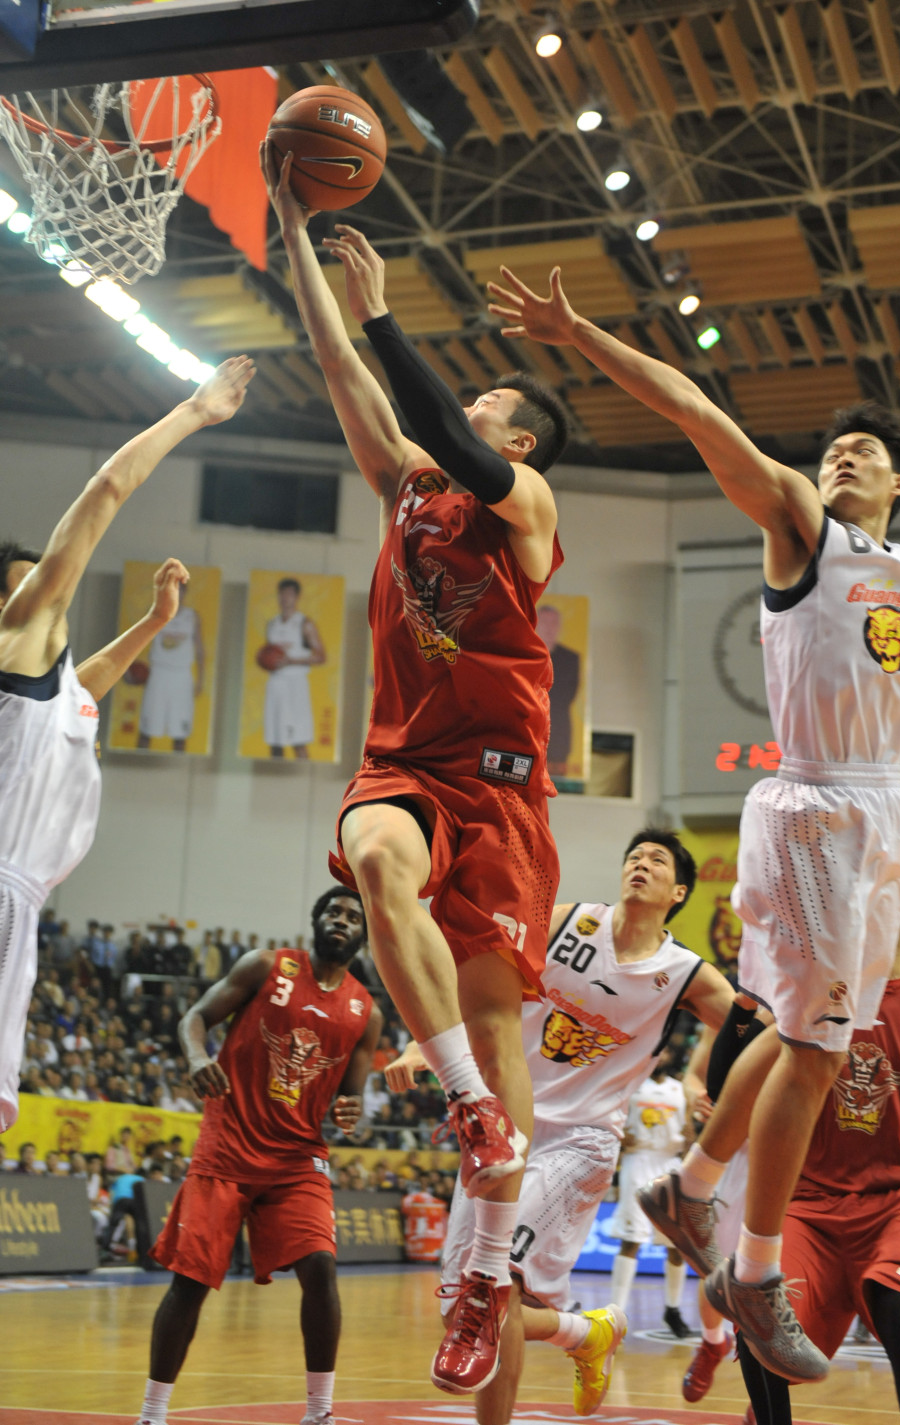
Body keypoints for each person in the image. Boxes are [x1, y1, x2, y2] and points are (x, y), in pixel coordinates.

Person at [487, 265, 900, 1381]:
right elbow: (697, 414)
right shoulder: (802, 530)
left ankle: (685, 1192)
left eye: (862, 452)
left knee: (817, 1040)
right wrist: (580, 333)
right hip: (810, 802)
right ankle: (747, 1267)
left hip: (885, 809)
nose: (840, 455)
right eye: (832, 446)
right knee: (802, 1045)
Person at [260, 143, 569, 1396]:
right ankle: (467, 1108)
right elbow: (342, 369)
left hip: (501, 785)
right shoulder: (403, 489)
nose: (469, 421)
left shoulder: (524, 504)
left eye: (490, 410)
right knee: (376, 859)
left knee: (501, 1022)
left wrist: (391, 312)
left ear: (520, 434)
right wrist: (293, 221)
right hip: (405, 761)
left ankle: (487, 1273)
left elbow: (438, 418)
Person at [388, 829, 735, 1424]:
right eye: (634, 857)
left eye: (656, 861)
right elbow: (483, 979)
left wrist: (705, 1081)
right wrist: (431, 1043)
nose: (640, 865)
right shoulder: (571, 921)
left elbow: (757, 1032)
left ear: (678, 891)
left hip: (582, 1140)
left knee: (494, 1287)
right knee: (459, 1310)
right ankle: (585, 1332)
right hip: (505, 1122)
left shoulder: (686, 974)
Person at [0, 356, 254, 1135]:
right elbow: (106, 492)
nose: (49, 584)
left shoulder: (47, 681)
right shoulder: (17, 634)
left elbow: (85, 692)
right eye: (30, 578)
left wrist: (154, 622)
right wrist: (193, 412)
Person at [134, 888, 382, 1425]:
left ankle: (319, 1412)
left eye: (353, 917)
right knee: (191, 1281)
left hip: (297, 1158)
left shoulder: (367, 1011)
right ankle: (152, 1414)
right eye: (333, 912)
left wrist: (349, 1109)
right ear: (315, 921)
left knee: (320, 1267)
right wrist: (198, 1057)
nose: (342, 920)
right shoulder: (266, 966)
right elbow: (194, 1017)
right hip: (229, 1145)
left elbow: (350, 1093)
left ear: (365, 934)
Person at [733, 877, 900, 1425]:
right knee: (756, 1313)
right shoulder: (814, 1002)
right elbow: (729, 1073)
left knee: (895, 1296)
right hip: (813, 1203)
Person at [608, 1047, 692, 1338]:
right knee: (632, 1239)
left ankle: (673, 1309)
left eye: (669, 1050)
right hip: (638, 1160)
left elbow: (691, 1130)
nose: (664, 1054)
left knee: (677, 1244)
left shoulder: (680, 1089)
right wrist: (618, 1135)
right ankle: (615, 1313)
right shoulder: (630, 1084)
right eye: (661, 1049)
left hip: (670, 1164)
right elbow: (609, 1116)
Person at [137, 576, 205, 752]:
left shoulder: (192, 617)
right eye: (173, 589)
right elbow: (137, 643)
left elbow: (200, 650)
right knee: (146, 730)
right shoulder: (156, 612)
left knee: (180, 733)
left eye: (181, 589)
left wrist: (201, 679)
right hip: (159, 672)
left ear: (185, 592)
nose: (177, 593)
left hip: (182, 675)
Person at [263, 577, 326, 759]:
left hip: (295, 685)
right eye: (282, 594)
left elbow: (321, 656)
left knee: (298, 741)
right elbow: (269, 656)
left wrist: (292, 661)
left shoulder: (305, 624)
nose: (285, 598)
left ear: (297, 597)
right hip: (275, 684)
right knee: (275, 742)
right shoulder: (272, 624)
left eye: (289, 594)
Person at [536, 603, 580, 778]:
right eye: (545, 622)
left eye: (554, 623)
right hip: (525, 730)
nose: (549, 628)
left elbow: (569, 694)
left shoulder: (570, 658)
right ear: (536, 624)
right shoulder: (524, 653)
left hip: (558, 732)